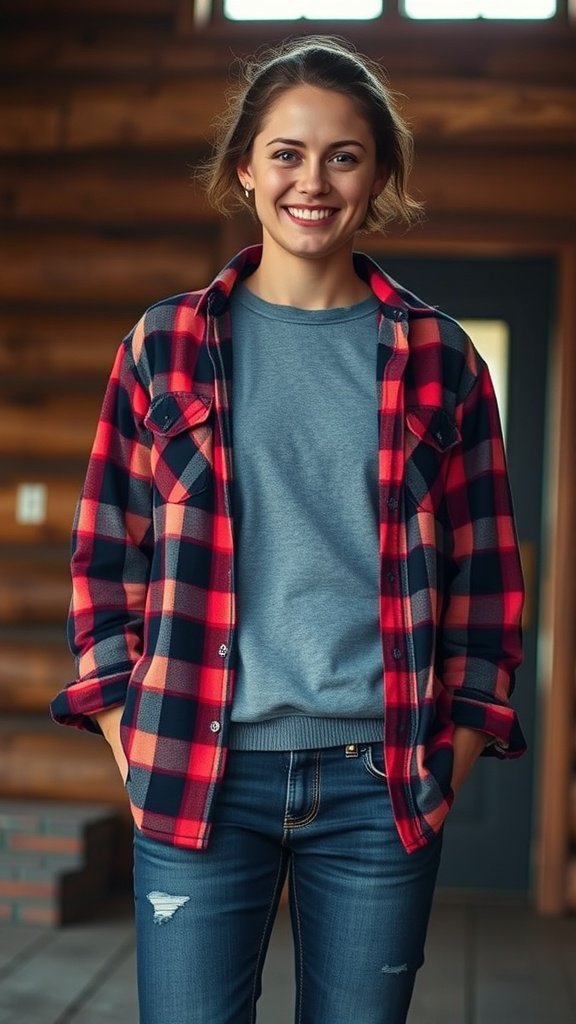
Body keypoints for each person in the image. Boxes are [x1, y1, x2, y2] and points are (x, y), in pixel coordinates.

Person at [50, 35, 526, 1024]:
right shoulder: (163, 346)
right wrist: (128, 741)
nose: (313, 181)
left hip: (380, 786)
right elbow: (105, 564)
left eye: (344, 156)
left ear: (378, 176)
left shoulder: (443, 360)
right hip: (197, 771)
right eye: (287, 153)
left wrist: (450, 760)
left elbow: (486, 586)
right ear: (244, 168)